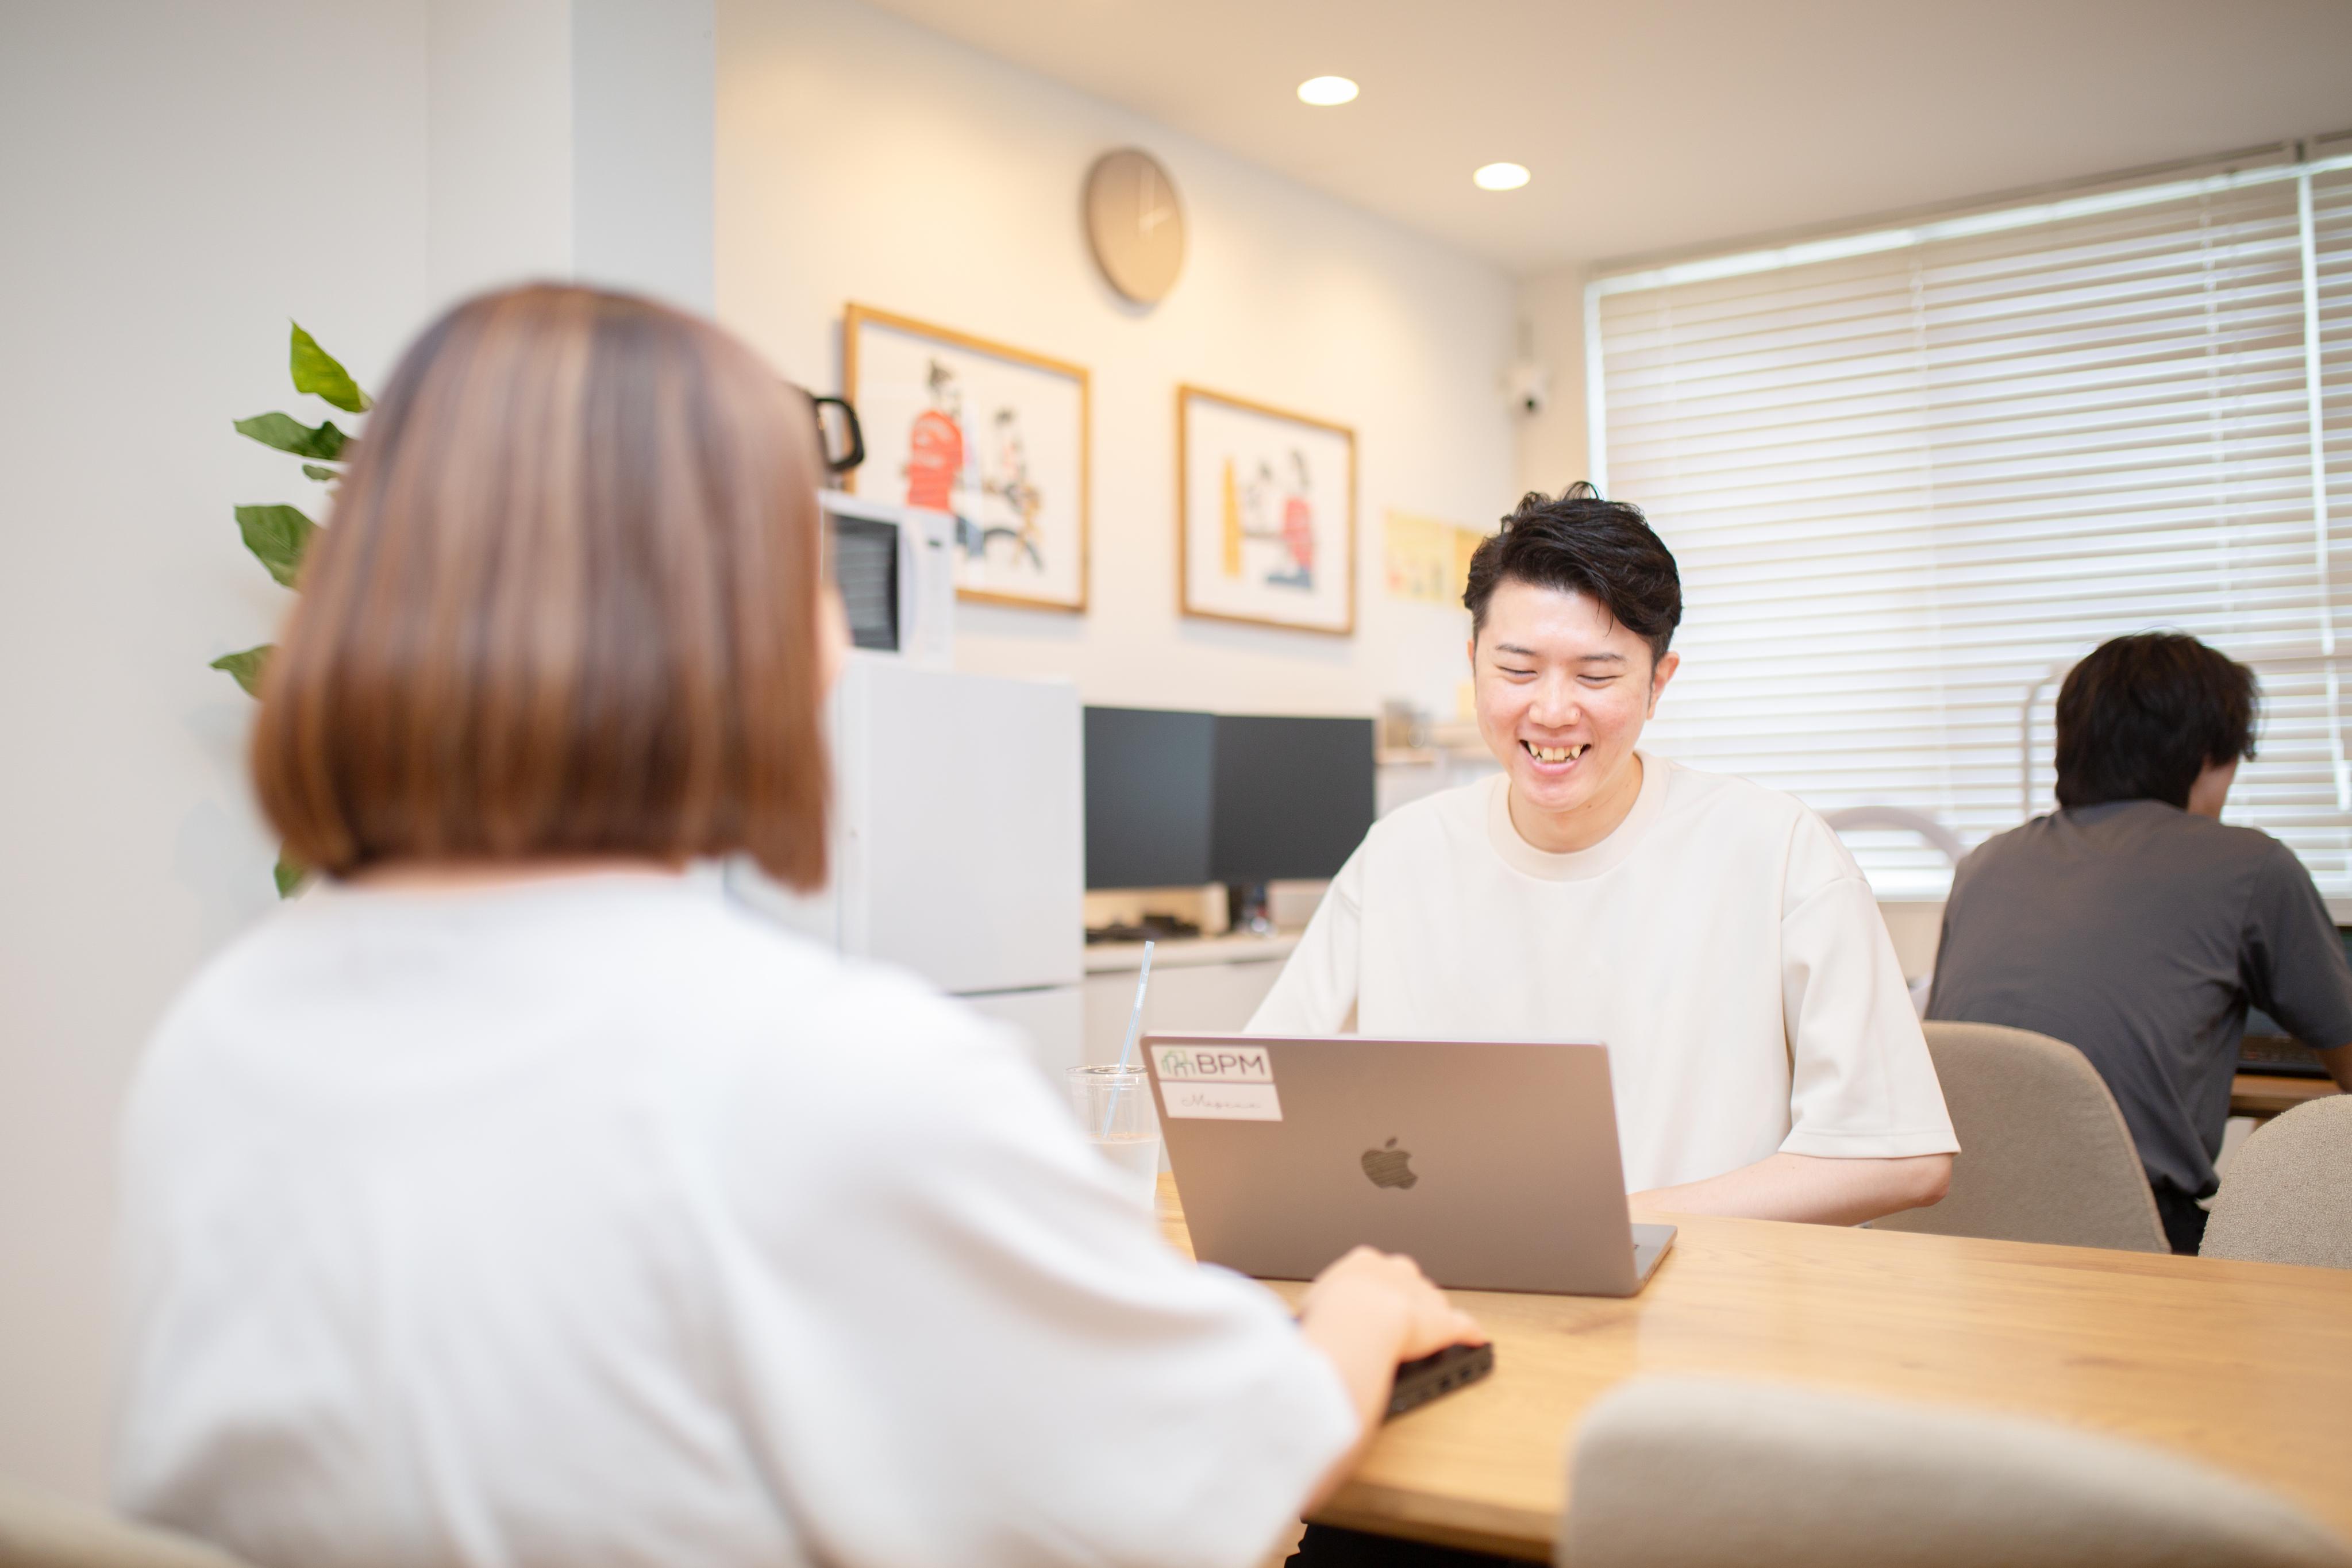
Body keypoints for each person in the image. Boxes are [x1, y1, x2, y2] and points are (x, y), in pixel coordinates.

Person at [112, 284, 1481, 1568]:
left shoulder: (226, 1026)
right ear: (730, 629)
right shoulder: (811, 1069)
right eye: (811, 565)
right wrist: (1358, 1309)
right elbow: (1222, 1470)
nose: (838, 637)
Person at [1249, 484, 1957, 1226]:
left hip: (1705, 1302)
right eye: (1517, 671)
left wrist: (1606, 1223)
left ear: (1659, 683)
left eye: (1595, 676)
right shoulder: (1401, 852)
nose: (1552, 711)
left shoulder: (1777, 850)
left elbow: (1897, 1154)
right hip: (1445, 1290)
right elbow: (1256, 1099)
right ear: (1474, 662)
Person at [1927, 632, 2352, 1254]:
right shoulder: (2249, 865)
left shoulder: (1984, 863)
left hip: (1949, 1231)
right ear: (2210, 755)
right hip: (2125, 1241)